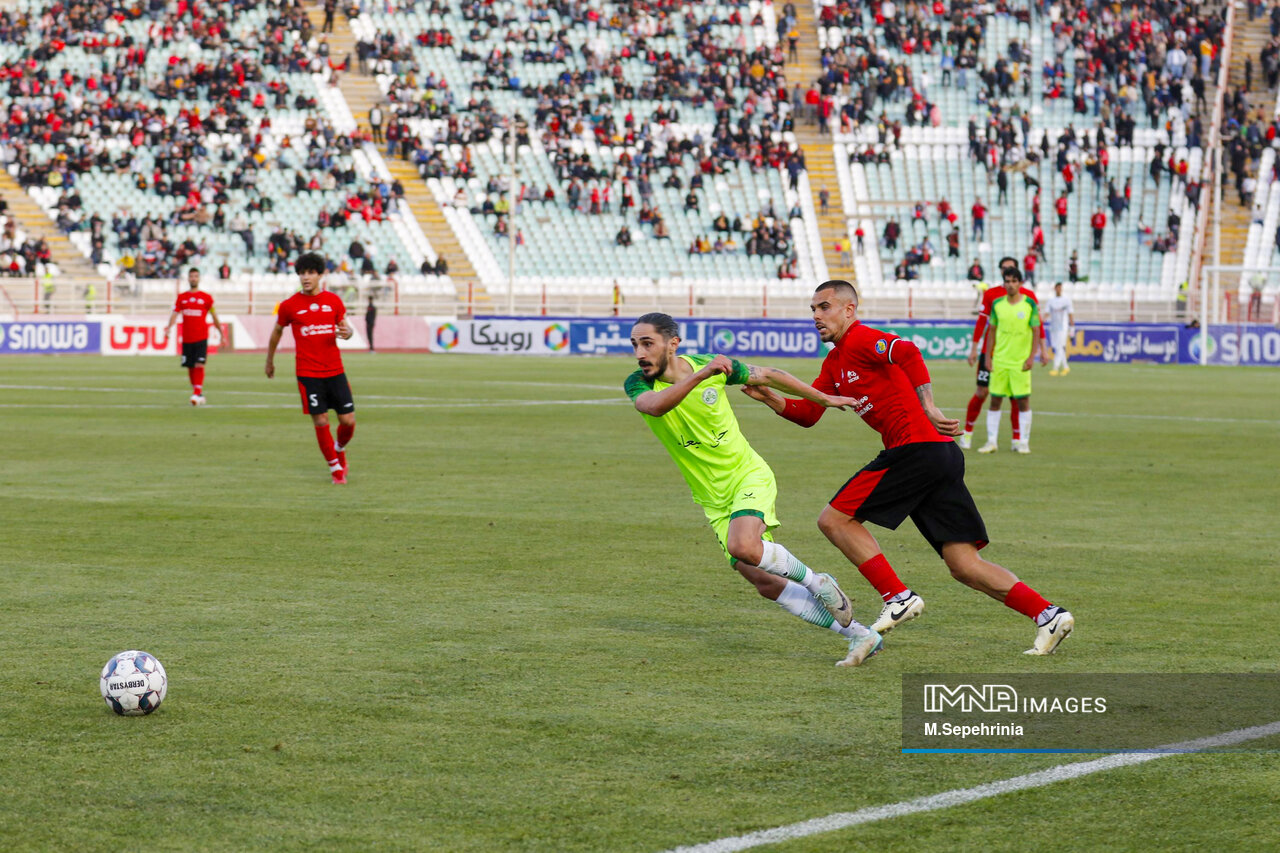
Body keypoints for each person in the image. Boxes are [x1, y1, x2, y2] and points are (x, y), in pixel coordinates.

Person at [741, 280, 1073, 655]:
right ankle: (1048, 615)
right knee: (963, 563)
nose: (816, 316)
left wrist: (929, 406)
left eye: (825, 307)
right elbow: (809, 414)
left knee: (834, 520)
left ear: (849, 310)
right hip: (937, 455)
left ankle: (897, 596)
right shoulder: (834, 362)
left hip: (916, 450)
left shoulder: (863, 340)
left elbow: (908, 351)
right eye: (813, 310)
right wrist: (769, 397)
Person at [625, 313, 883, 667]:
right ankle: (860, 634)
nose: (639, 352)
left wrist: (823, 398)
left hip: (747, 476)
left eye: (647, 343)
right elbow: (653, 407)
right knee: (763, 582)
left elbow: (771, 375)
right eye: (635, 344)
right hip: (711, 499)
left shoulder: (712, 365)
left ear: (673, 344)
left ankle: (818, 581)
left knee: (743, 545)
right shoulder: (639, 383)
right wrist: (703, 375)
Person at [265, 253, 356, 485]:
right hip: (308, 373)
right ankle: (335, 468)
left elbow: (345, 328)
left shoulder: (334, 301)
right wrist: (270, 360)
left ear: (320, 274)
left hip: (335, 370)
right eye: (302, 273)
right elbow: (277, 332)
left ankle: (339, 448)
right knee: (321, 420)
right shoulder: (289, 306)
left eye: (310, 273)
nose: (306, 278)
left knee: (348, 421)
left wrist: (349, 333)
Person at [959, 257, 1046, 449]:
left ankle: (1017, 439)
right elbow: (983, 323)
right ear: (1001, 272)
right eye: (1005, 271)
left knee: (1016, 397)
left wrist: (1042, 349)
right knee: (982, 392)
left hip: (1015, 356)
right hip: (990, 354)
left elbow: (1037, 326)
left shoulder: (1028, 297)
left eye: (1012, 270)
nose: (1009, 277)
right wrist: (974, 349)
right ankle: (967, 434)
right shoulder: (992, 295)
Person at [978, 269, 1042, 454]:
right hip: (1000, 360)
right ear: (1004, 283)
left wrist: (1031, 357)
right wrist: (988, 357)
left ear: (1020, 283)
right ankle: (991, 442)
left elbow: (1036, 331)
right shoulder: (997, 304)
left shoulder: (1029, 304)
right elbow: (991, 331)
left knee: (1023, 402)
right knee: (995, 400)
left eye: (1014, 280)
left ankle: (1023, 442)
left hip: (1020, 363)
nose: (1011, 284)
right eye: (1008, 281)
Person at [162, 267, 221, 406]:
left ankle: (196, 393)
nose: (193, 278)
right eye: (191, 276)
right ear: (188, 278)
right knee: (190, 366)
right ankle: (198, 394)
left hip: (201, 337)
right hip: (187, 337)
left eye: (196, 276)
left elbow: (214, 316)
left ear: (199, 278)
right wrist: (169, 328)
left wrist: (221, 333)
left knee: (199, 364)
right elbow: (175, 314)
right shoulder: (182, 298)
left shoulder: (207, 298)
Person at [1043, 282, 1075, 375]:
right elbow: (1047, 313)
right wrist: (1041, 322)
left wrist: (1072, 329)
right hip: (1054, 327)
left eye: (1060, 288)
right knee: (1057, 347)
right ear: (1055, 289)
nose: (1059, 289)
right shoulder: (1051, 301)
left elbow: (1070, 315)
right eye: (1057, 288)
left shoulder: (1066, 300)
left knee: (1060, 346)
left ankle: (1055, 368)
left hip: (1063, 327)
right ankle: (1066, 367)